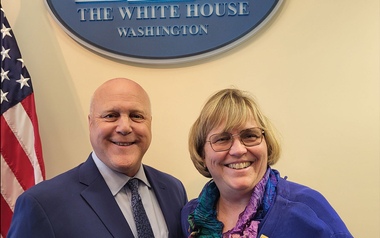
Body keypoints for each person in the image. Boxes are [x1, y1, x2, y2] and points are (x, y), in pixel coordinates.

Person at [7, 78, 188, 238]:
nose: (124, 127)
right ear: (91, 123)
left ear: (150, 123)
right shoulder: (41, 204)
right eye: (110, 116)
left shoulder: (173, 189)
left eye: (136, 116)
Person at [181, 88, 352, 238]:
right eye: (222, 139)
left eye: (250, 135)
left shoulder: (308, 208)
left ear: (267, 144)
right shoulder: (190, 218)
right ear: (202, 153)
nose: (238, 150)